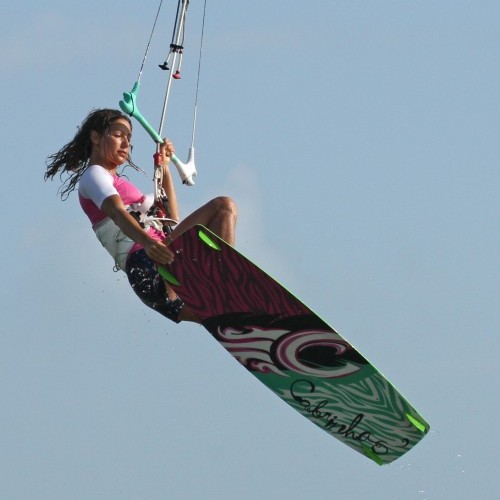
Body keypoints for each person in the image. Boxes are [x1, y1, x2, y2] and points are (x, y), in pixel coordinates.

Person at [45, 108, 237, 324]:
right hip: (149, 267)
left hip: (161, 268)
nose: (126, 144)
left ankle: (227, 311)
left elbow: (172, 220)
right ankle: (225, 289)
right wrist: (147, 243)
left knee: (222, 317)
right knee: (223, 206)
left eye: (128, 138)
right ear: (96, 137)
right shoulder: (94, 175)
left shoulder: (122, 186)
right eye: (118, 135)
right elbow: (116, 213)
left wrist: (164, 168)